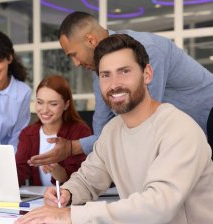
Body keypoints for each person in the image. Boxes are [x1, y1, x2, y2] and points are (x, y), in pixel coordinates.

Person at [15, 34, 213, 224]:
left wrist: (72, 215)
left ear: (147, 74)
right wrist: (67, 193)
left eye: (124, 72)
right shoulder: (112, 131)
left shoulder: (179, 128)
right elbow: (89, 179)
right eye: (105, 75)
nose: (114, 84)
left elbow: (157, 208)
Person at [28, 11, 213, 167]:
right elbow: (103, 133)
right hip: (185, 141)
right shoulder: (99, 69)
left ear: (91, 40)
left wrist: (74, 146)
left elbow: (141, 122)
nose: (75, 64)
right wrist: (72, 148)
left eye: (73, 55)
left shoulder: (146, 50)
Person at [16, 75, 91, 186]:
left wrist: (59, 172)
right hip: (38, 200)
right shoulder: (27, 134)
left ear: (66, 104)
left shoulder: (80, 132)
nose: (44, 110)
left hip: (70, 199)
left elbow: (83, 178)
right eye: (40, 102)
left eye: (53, 104)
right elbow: (20, 171)